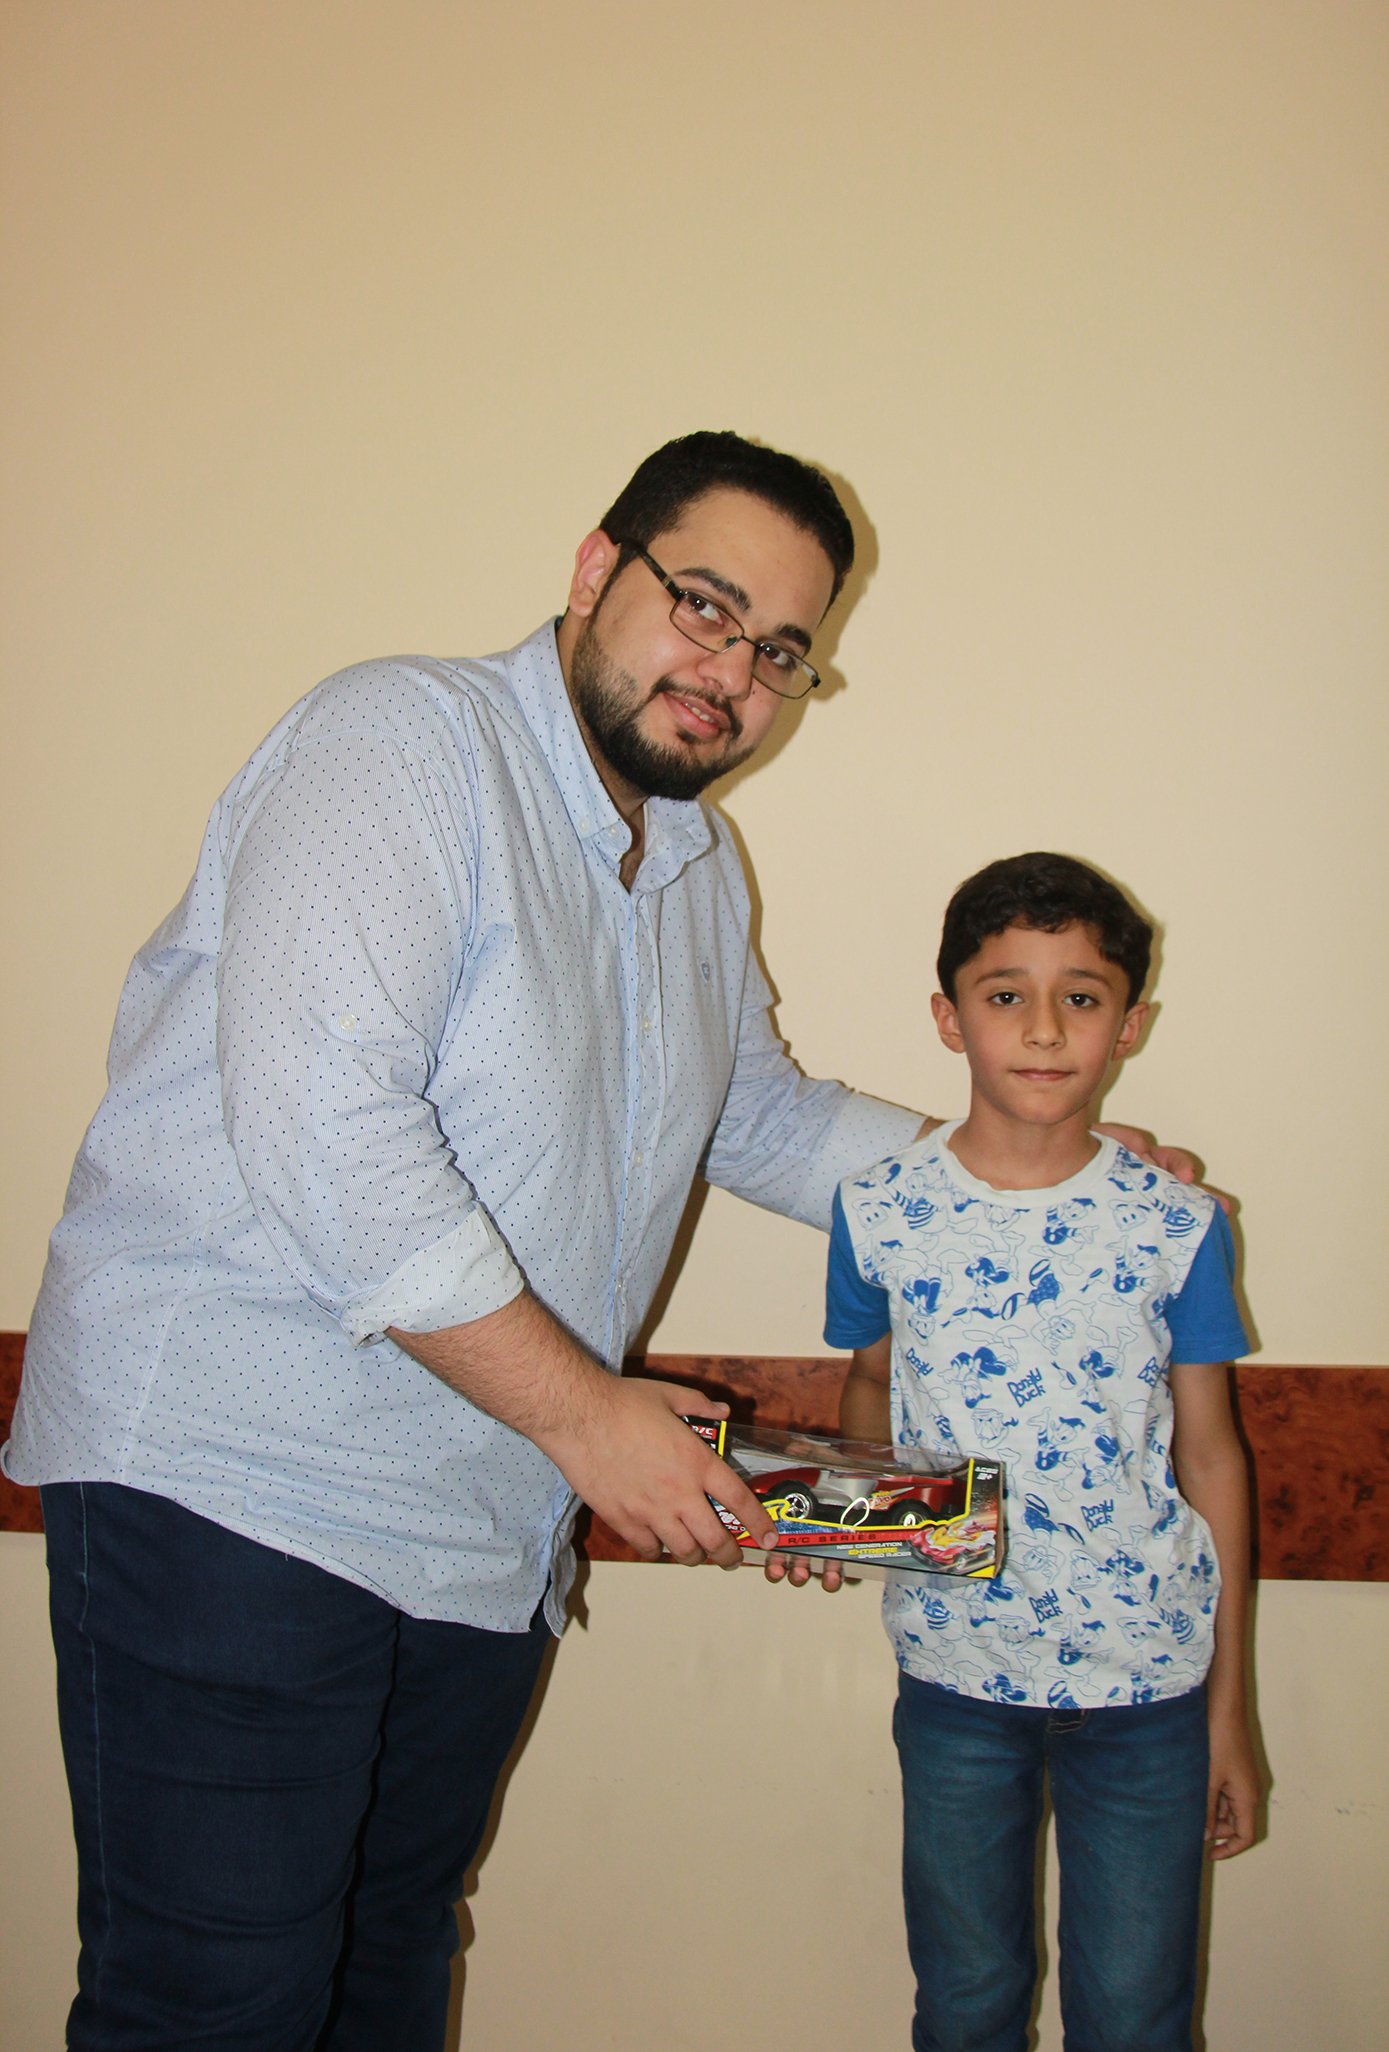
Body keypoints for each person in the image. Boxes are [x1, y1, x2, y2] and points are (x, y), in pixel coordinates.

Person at [5, 438, 1197, 2052]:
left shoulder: (693, 872)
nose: (732, 672)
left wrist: (1037, 1168)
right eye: (704, 605)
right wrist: (586, 1419)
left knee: (383, 1972)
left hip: (475, 1526)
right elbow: (324, 1121)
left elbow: (757, 1118)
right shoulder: (404, 741)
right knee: (219, 2005)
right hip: (241, 1484)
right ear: (592, 570)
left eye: (780, 651)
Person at [815, 852, 1261, 2052]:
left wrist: (1230, 1710)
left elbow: (1214, 1458)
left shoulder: (1178, 1224)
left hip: (1149, 1689)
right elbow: (872, 1391)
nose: (1046, 1027)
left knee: (1135, 2014)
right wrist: (834, 1516)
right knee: (966, 2001)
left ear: (1132, 1024)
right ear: (948, 1015)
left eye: (1083, 995)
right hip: (954, 1676)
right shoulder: (878, 1210)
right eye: (1006, 993)